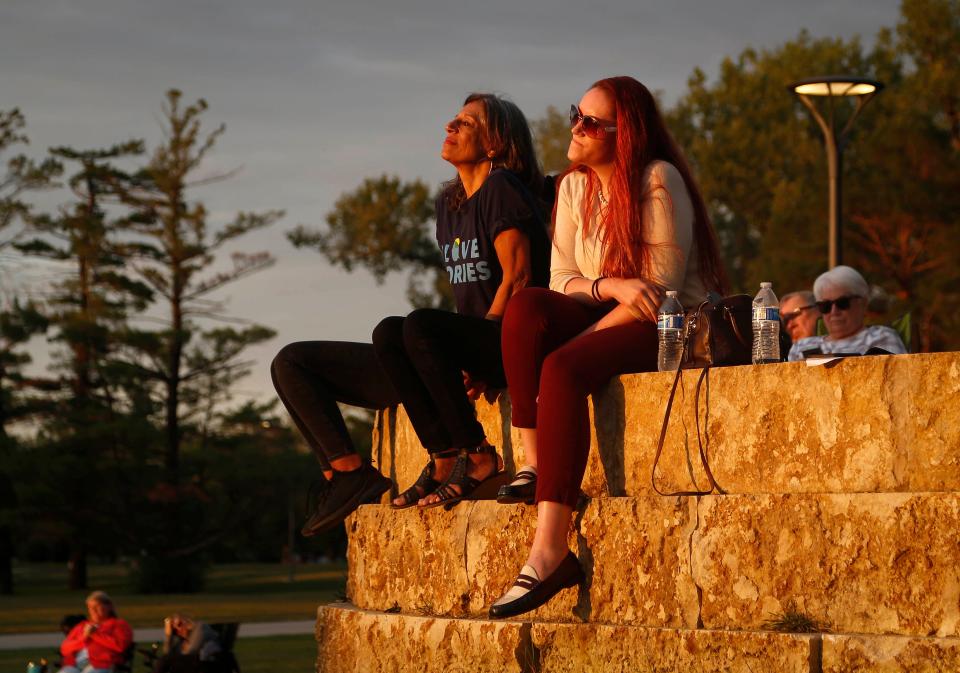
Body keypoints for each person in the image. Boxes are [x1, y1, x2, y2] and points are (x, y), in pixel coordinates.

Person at [489, 76, 728, 619]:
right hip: (612, 303)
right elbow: (560, 279)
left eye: (592, 122)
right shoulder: (574, 187)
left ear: (627, 135)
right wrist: (609, 286)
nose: (577, 126)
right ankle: (533, 463)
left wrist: (585, 336)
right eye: (577, 113)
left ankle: (550, 553)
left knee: (565, 368)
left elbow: (660, 290)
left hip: (665, 323)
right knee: (526, 307)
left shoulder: (657, 179)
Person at [271, 92, 550, 534]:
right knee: (373, 336)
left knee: (419, 323)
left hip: (511, 336)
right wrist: (458, 352)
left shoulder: (501, 189)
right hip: (459, 349)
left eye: (467, 122)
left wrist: (475, 348)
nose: (450, 127)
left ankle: (477, 455)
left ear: (496, 144)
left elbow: (518, 277)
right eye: (453, 120)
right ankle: (398, 467)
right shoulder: (449, 205)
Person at [787, 265, 906, 361]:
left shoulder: (881, 338)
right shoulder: (801, 347)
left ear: (863, 303)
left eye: (842, 303)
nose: (834, 312)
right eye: (825, 306)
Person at [58, 591, 133, 673]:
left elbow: (120, 646)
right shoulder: (82, 625)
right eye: (90, 607)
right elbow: (64, 648)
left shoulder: (118, 624)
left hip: (101, 664)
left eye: (97, 606)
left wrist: (95, 634)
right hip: (75, 665)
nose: (93, 610)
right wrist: (84, 637)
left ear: (109, 607)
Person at [152, 614, 221, 673]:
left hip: (206, 664)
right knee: (164, 661)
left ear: (186, 622)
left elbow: (190, 652)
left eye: (179, 625)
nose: (178, 630)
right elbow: (167, 653)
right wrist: (169, 636)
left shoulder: (200, 628)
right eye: (174, 630)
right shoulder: (183, 639)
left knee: (164, 661)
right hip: (194, 664)